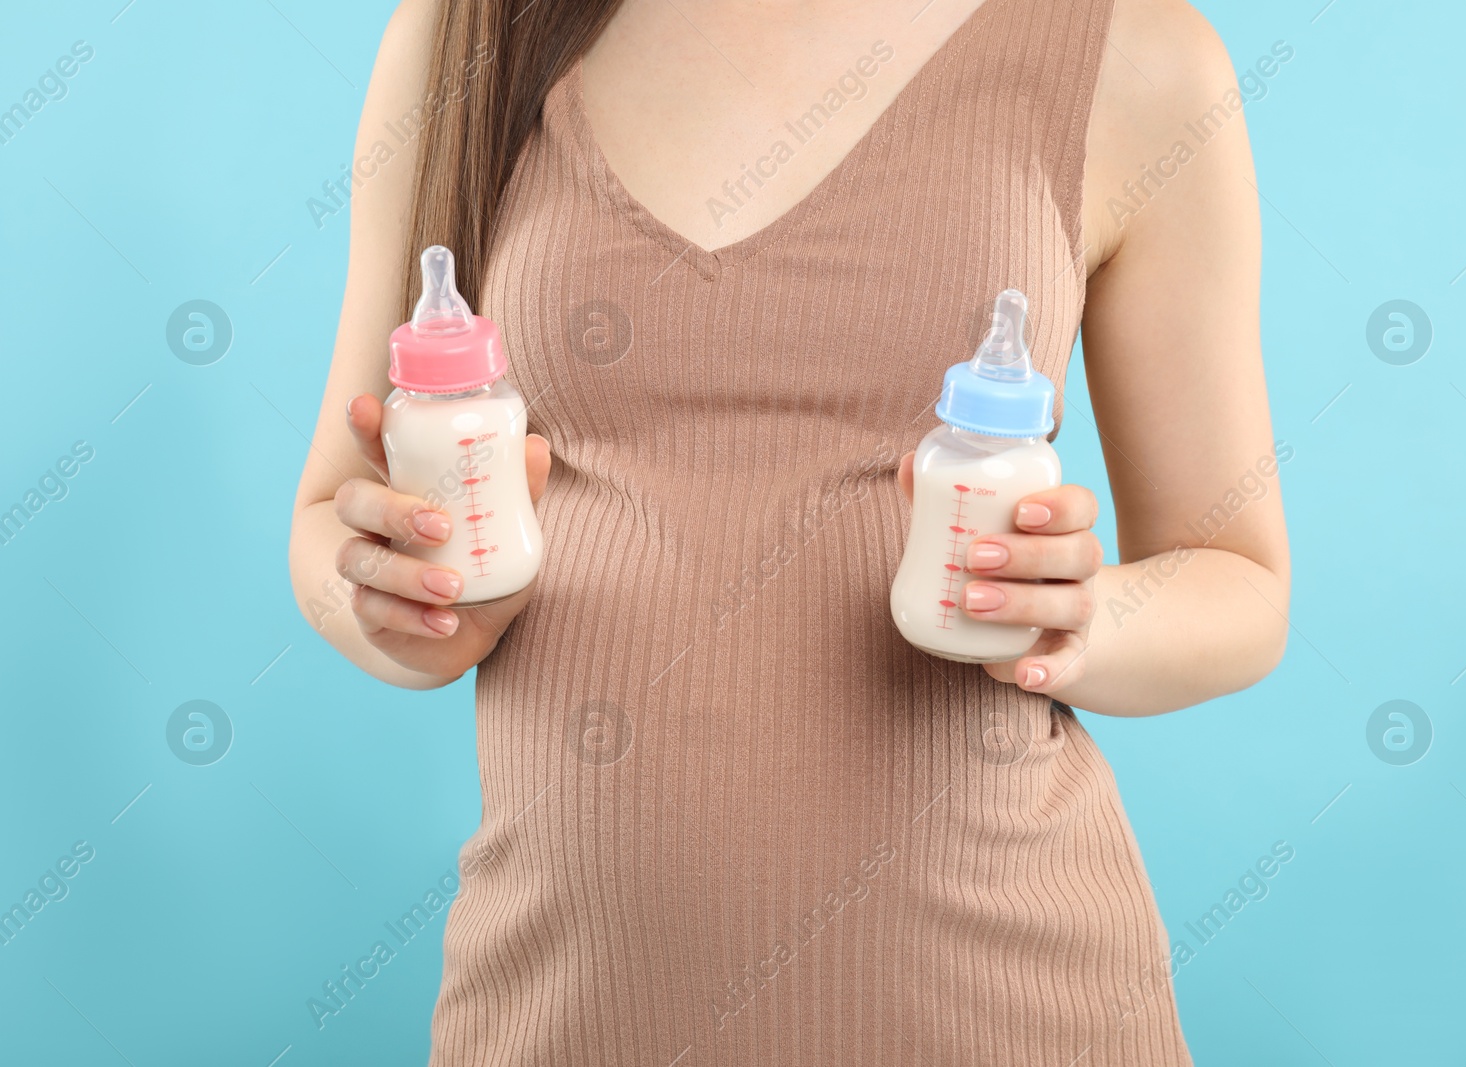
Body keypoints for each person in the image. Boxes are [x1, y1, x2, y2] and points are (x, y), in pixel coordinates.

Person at [287, 0, 1289, 1061]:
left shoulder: (1134, 52)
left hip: (998, 1005)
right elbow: (328, 520)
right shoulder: (467, 35)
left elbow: (1242, 583)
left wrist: (1077, 622)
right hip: (568, 1012)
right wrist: (394, 598)